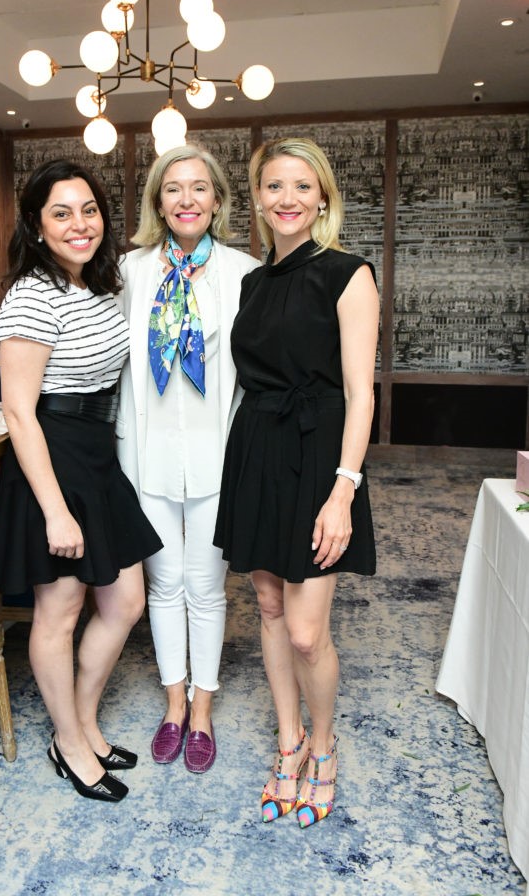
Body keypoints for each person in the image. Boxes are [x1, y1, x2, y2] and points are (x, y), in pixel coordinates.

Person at [0, 158, 161, 804]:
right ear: (35, 224)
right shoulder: (30, 293)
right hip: (52, 458)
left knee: (124, 602)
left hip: (96, 454)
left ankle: (79, 723)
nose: (79, 223)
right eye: (61, 212)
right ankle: (69, 740)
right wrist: (56, 511)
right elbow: (19, 413)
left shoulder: (98, 284)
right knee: (58, 614)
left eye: (88, 209)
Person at [214, 137, 379, 827]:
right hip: (256, 448)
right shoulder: (251, 282)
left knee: (308, 631)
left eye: (301, 187)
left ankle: (323, 746)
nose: (286, 199)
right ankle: (287, 743)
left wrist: (342, 490)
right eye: (273, 187)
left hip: (319, 458)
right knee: (270, 611)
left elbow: (359, 392)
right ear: (256, 199)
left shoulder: (348, 273)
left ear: (322, 199)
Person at [116, 144, 259, 772]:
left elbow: (255, 374)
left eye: (199, 188)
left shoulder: (245, 272)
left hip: (217, 457)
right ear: (157, 202)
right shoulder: (128, 272)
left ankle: (202, 708)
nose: (186, 200)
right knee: (162, 584)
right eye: (173, 189)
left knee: (205, 587)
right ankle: (172, 701)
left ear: (218, 201)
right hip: (146, 456)